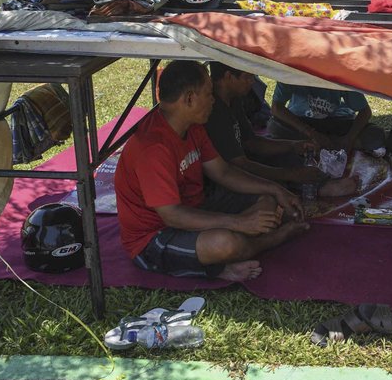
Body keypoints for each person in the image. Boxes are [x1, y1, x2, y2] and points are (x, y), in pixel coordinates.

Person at [115, 60, 308, 282]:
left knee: (266, 200)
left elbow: (223, 172)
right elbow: (173, 216)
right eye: (208, 94)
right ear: (189, 98)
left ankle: (242, 244)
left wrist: (275, 189)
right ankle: (269, 240)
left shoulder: (192, 125)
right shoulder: (152, 148)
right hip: (154, 235)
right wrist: (238, 222)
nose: (213, 100)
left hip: (196, 207)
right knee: (225, 243)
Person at [205, 63, 357, 197]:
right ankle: (312, 187)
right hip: (228, 177)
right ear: (228, 76)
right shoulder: (215, 113)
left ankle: (312, 184)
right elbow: (239, 165)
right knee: (272, 184)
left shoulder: (234, 99)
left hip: (244, 161)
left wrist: (292, 145)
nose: (252, 82)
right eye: (247, 77)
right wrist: (291, 175)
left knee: (285, 155)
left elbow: (252, 142)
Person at [267, 82, 386, 158]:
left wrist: (348, 139)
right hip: (301, 124)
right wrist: (311, 133)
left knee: (375, 135)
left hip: (335, 122)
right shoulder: (292, 70)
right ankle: (328, 145)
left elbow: (365, 111)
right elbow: (276, 108)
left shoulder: (339, 74)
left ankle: (315, 146)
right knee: (274, 127)